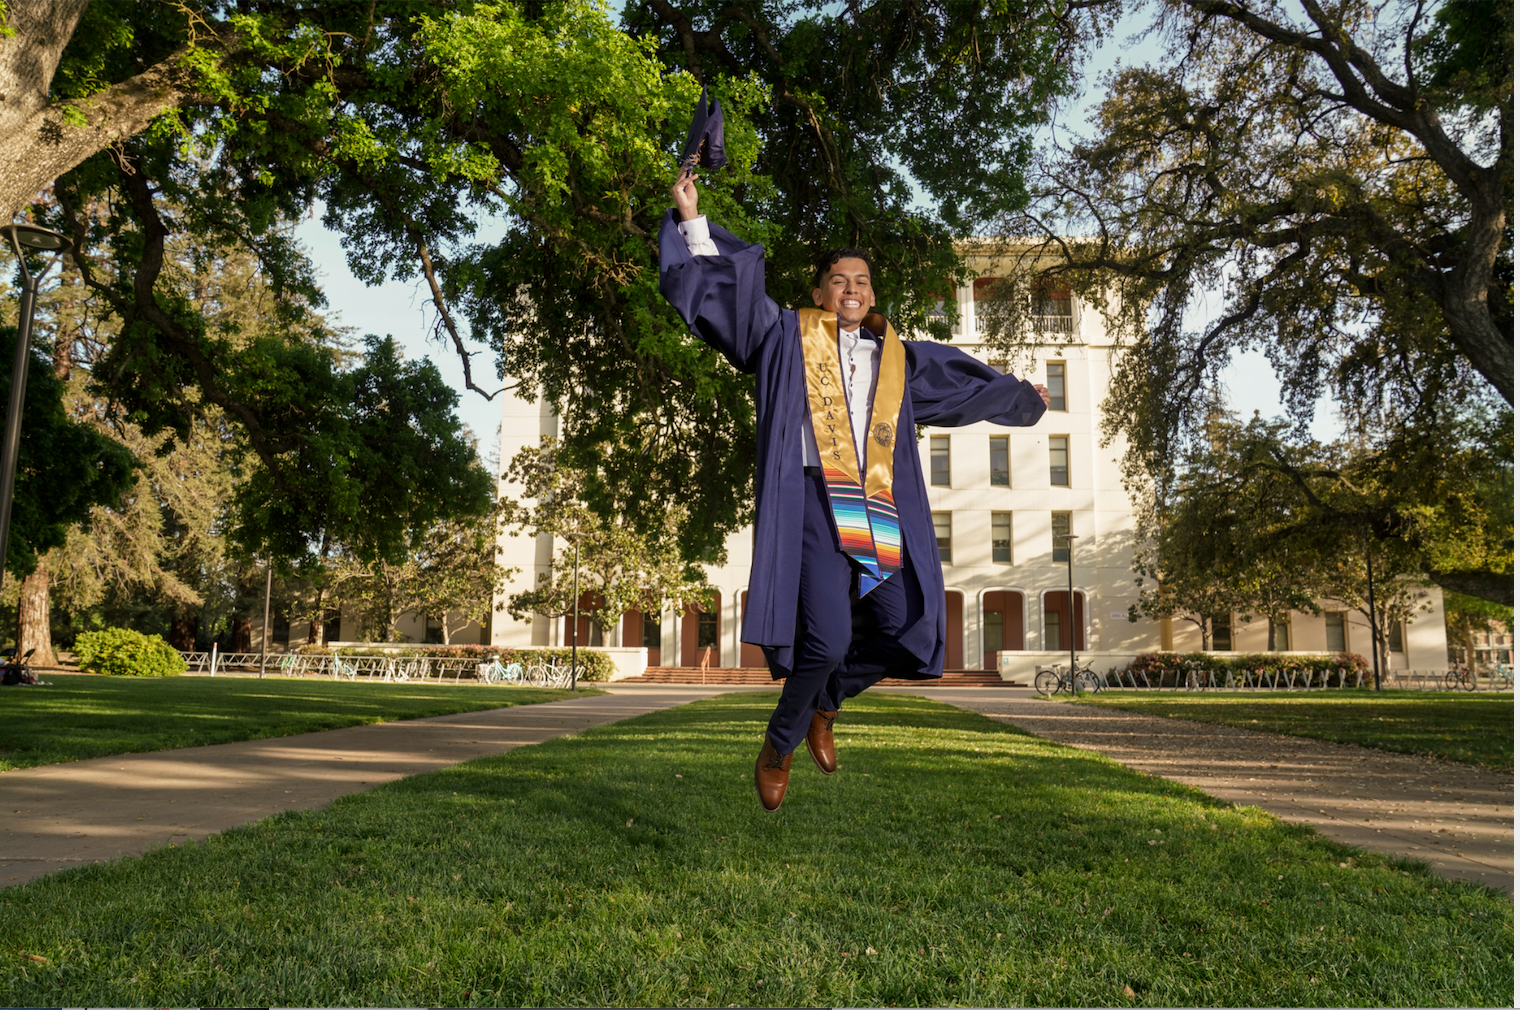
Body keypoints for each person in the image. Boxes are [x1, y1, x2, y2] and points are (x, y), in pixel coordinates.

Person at [660, 167, 1048, 811]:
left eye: (862, 281)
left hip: (877, 506)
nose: (852, 289)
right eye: (839, 279)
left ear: (871, 295)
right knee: (827, 640)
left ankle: (827, 704)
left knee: (907, 628)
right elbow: (731, 306)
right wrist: (694, 221)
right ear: (819, 291)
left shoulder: (896, 356)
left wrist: (1019, 394)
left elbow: (962, 384)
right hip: (815, 504)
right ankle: (778, 744)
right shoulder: (787, 335)